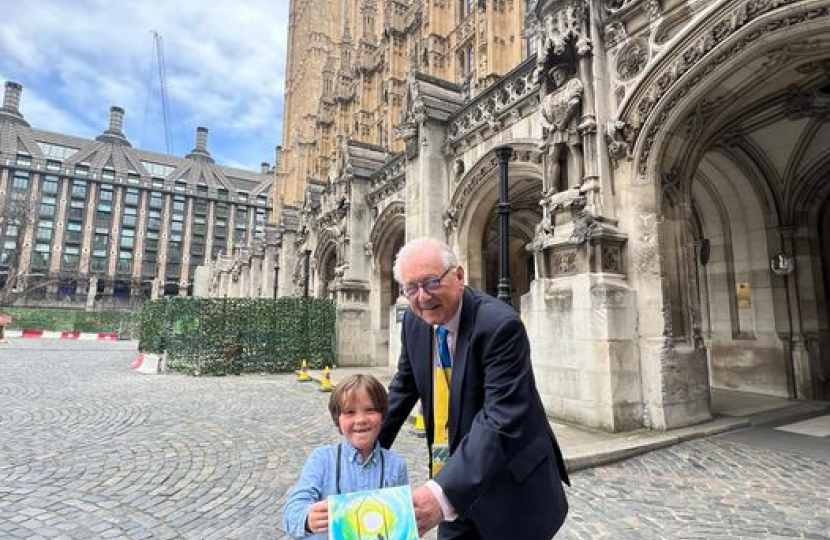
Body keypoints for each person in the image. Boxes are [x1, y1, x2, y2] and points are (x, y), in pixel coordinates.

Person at [379, 237, 569, 540]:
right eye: (411, 288)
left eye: (431, 282)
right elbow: (404, 387)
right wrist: (365, 447)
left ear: (459, 276)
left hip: (509, 488)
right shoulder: (415, 323)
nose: (423, 297)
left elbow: (499, 419)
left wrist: (439, 496)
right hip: (453, 480)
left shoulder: (499, 325)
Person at [282, 374, 409, 539]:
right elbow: (292, 511)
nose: (361, 419)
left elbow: (401, 520)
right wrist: (307, 519)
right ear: (338, 420)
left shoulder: (396, 465)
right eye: (350, 412)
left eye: (370, 410)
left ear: (383, 416)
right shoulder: (322, 460)